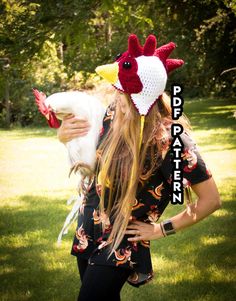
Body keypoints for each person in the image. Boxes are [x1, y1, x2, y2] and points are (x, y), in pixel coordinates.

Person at [57, 34, 221, 301]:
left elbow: (211, 200)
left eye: (122, 93)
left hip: (123, 238)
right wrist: (64, 135)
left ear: (139, 99)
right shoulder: (112, 115)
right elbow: (84, 155)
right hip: (89, 227)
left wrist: (161, 229)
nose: (115, 98)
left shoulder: (170, 139)